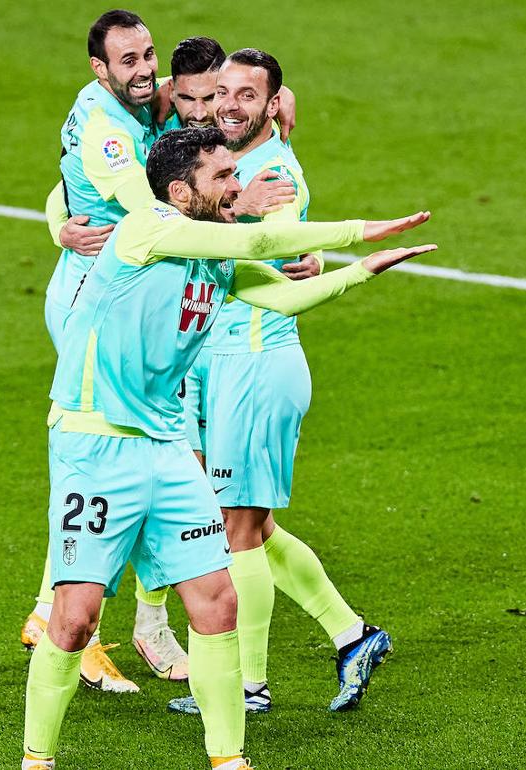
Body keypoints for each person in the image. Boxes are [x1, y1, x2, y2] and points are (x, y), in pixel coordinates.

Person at [21, 125, 435, 770]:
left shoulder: (212, 256)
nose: (236, 187)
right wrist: (359, 230)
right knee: (74, 618)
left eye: (235, 175)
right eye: (222, 177)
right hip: (94, 444)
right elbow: (259, 237)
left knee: (217, 602)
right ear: (181, 190)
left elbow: (279, 295)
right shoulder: (149, 229)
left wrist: (360, 273)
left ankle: (229, 761)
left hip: (164, 445)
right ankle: (37, 760)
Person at [24, 29, 303, 686]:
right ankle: (61, 616)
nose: (210, 112)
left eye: (223, 99)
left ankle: (145, 624)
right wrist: (57, 226)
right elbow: (87, 189)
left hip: (165, 312)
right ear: (178, 95)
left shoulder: (190, 138)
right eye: (198, 98)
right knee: (115, 456)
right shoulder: (138, 127)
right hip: (103, 301)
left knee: (172, 461)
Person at [168, 49, 389, 718]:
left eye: (246, 95)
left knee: (234, 529)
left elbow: (272, 253)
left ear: (273, 104)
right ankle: (353, 635)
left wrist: (293, 244)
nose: (227, 104)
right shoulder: (231, 155)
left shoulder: (277, 177)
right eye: (223, 91)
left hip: (257, 365)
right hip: (222, 362)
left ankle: (247, 685)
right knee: (252, 526)